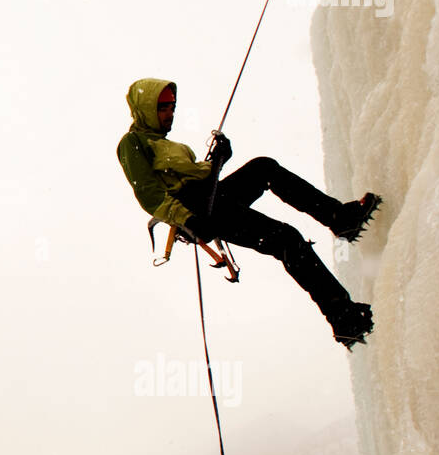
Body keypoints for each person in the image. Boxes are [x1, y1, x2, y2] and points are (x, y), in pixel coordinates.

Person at [117, 77, 381, 349]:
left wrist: (219, 158)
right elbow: (150, 194)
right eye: (163, 106)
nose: (171, 111)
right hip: (200, 211)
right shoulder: (132, 143)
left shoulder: (164, 144)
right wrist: (189, 221)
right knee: (286, 239)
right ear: (146, 108)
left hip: (209, 199)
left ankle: (339, 218)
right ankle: (343, 318)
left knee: (264, 168)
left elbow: (198, 178)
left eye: (173, 105)